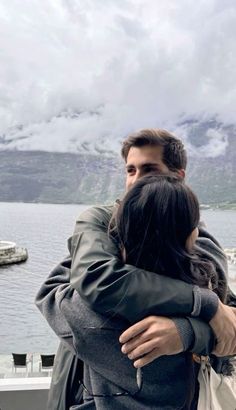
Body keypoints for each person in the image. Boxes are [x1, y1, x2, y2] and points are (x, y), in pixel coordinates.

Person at [36, 129, 236, 409]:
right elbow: (226, 322)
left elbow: (62, 288)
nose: (136, 180)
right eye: (130, 170)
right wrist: (197, 322)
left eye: (149, 169)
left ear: (177, 177)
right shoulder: (198, 263)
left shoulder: (87, 312)